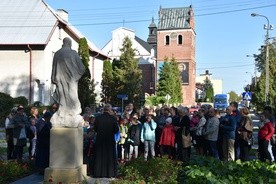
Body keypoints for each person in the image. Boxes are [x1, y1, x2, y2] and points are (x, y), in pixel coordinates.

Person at [51, 37, 85, 128]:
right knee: (73, 97)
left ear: (63, 43)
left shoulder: (57, 53)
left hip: (59, 80)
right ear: (70, 44)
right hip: (71, 81)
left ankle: (62, 113)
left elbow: (54, 68)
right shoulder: (73, 53)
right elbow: (82, 68)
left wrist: (53, 79)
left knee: (62, 98)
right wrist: (76, 77)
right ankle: (72, 114)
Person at [92, 104, 119, 178]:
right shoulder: (112, 118)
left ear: (104, 110)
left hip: (100, 139)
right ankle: (110, 173)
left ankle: (98, 173)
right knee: (109, 156)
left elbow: (95, 129)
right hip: (109, 140)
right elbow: (116, 130)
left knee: (99, 156)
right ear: (109, 110)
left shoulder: (98, 118)